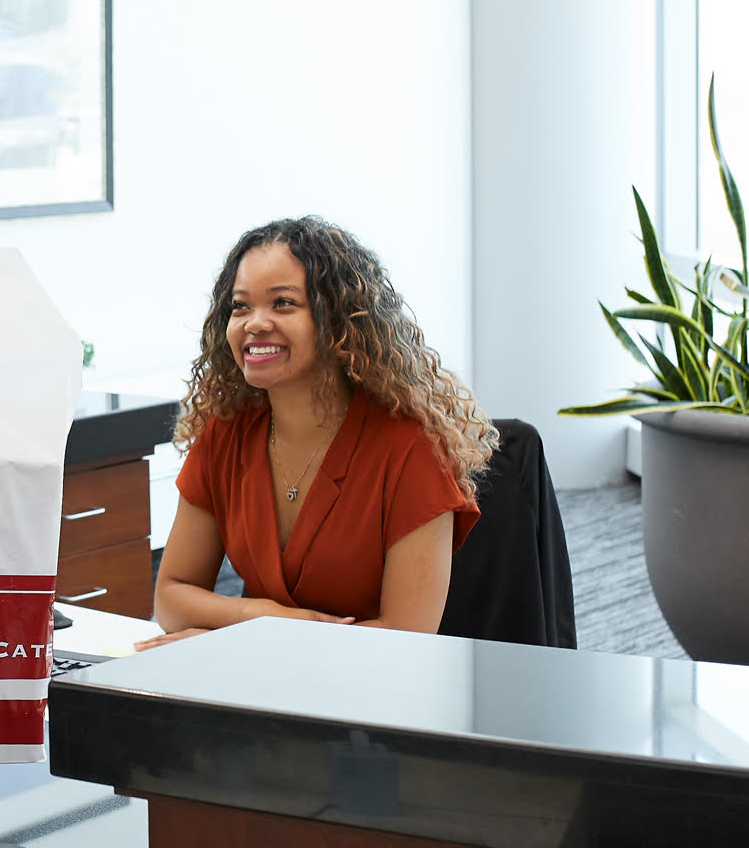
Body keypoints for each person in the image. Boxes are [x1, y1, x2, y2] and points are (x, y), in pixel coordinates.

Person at [138, 217, 497, 650]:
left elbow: (407, 644)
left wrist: (238, 645)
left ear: (340, 321)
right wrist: (260, 615)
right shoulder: (226, 433)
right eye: (240, 306)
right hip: (264, 696)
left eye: (283, 303)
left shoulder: (410, 448)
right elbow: (172, 597)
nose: (254, 323)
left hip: (374, 701)